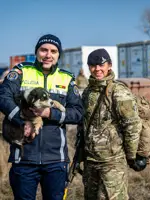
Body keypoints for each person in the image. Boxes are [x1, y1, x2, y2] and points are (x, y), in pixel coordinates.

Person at [0, 34, 83, 200]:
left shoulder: (66, 78)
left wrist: (50, 113)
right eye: (43, 50)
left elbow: (78, 113)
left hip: (56, 161)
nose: (48, 55)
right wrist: (22, 121)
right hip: (23, 158)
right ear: (37, 52)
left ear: (59, 55)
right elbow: (3, 97)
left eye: (53, 51)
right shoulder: (21, 71)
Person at [80, 48, 143, 200]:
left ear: (109, 65)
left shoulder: (118, 91)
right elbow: (83, 125)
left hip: (112, 162)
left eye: (101, 65)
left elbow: (132, 126)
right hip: (91, 162)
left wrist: (131, 156)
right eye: (93, 65)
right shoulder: (88, 92)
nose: (97, 69)